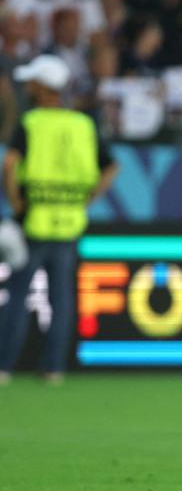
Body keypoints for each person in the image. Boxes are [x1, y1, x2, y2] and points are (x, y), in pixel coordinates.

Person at [0, 54, 118, 385]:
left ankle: (4, 366)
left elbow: (10, 164)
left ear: (41, 87)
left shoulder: (32, 122)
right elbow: (111, 166)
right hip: (70, 221)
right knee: (62, 299)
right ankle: (54, 368)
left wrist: (16, 201)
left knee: (19, 293)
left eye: (32, 82)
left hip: (33, 220)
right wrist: (88, 198)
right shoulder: (82, 124)